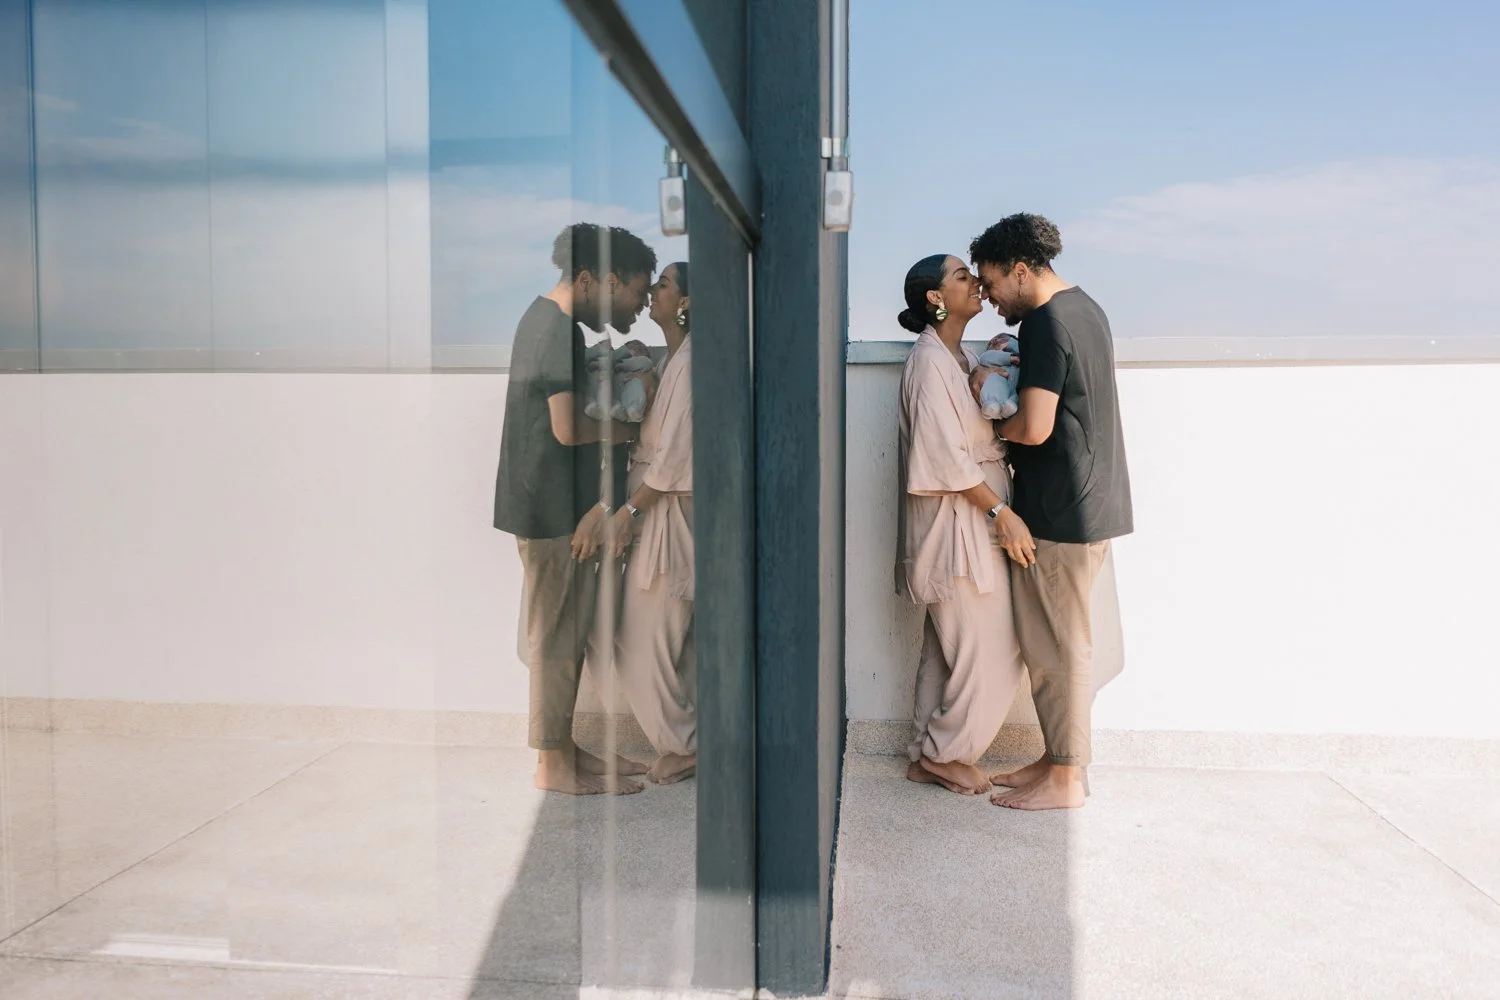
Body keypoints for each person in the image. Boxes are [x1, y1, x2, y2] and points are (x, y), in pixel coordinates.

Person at [969, 213, 1134, 811]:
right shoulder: (1087, 309)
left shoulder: (1045, 322)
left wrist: (991, 434)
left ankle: (1067, 780)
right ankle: (1054, 759)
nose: (987, 299)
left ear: (1020, 270)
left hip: (1064, 508)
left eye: (990, 284)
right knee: (1051, 645)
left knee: (1061, 647)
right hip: (1086, 501)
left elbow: (1035, 427)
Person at [493, 222, 658, 796]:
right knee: (557, 641)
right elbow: (567, 428)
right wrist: (632, 423)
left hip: (550, 504)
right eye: (634, 289)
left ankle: (565, 750)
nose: (637, 302)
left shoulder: (548, 324)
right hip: (549, 511)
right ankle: (551, 767)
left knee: (564, 632)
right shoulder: (553, 330)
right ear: (598, 280)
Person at [894, 254, 1031, 796]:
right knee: (993, 648)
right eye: (960, 276)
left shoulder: (960, 356)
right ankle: (947, 754)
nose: (975, 282)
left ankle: (925, 753)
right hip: (960, 522)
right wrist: (1003, 513)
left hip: (969, 516)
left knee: (947, 649)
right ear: (935, 298)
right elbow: (943, 460)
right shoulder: (928, 364)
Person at [608, 262, 698, 786]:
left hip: (666, 512)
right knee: (667, 639)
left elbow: (673, 459)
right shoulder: (674, 362)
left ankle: (683, 746)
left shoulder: (692, 365)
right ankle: (688, 739)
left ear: (685, 302)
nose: (653, 293)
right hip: (661, 508)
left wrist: (628, 512)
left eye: (663, 285)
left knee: (642, 638)